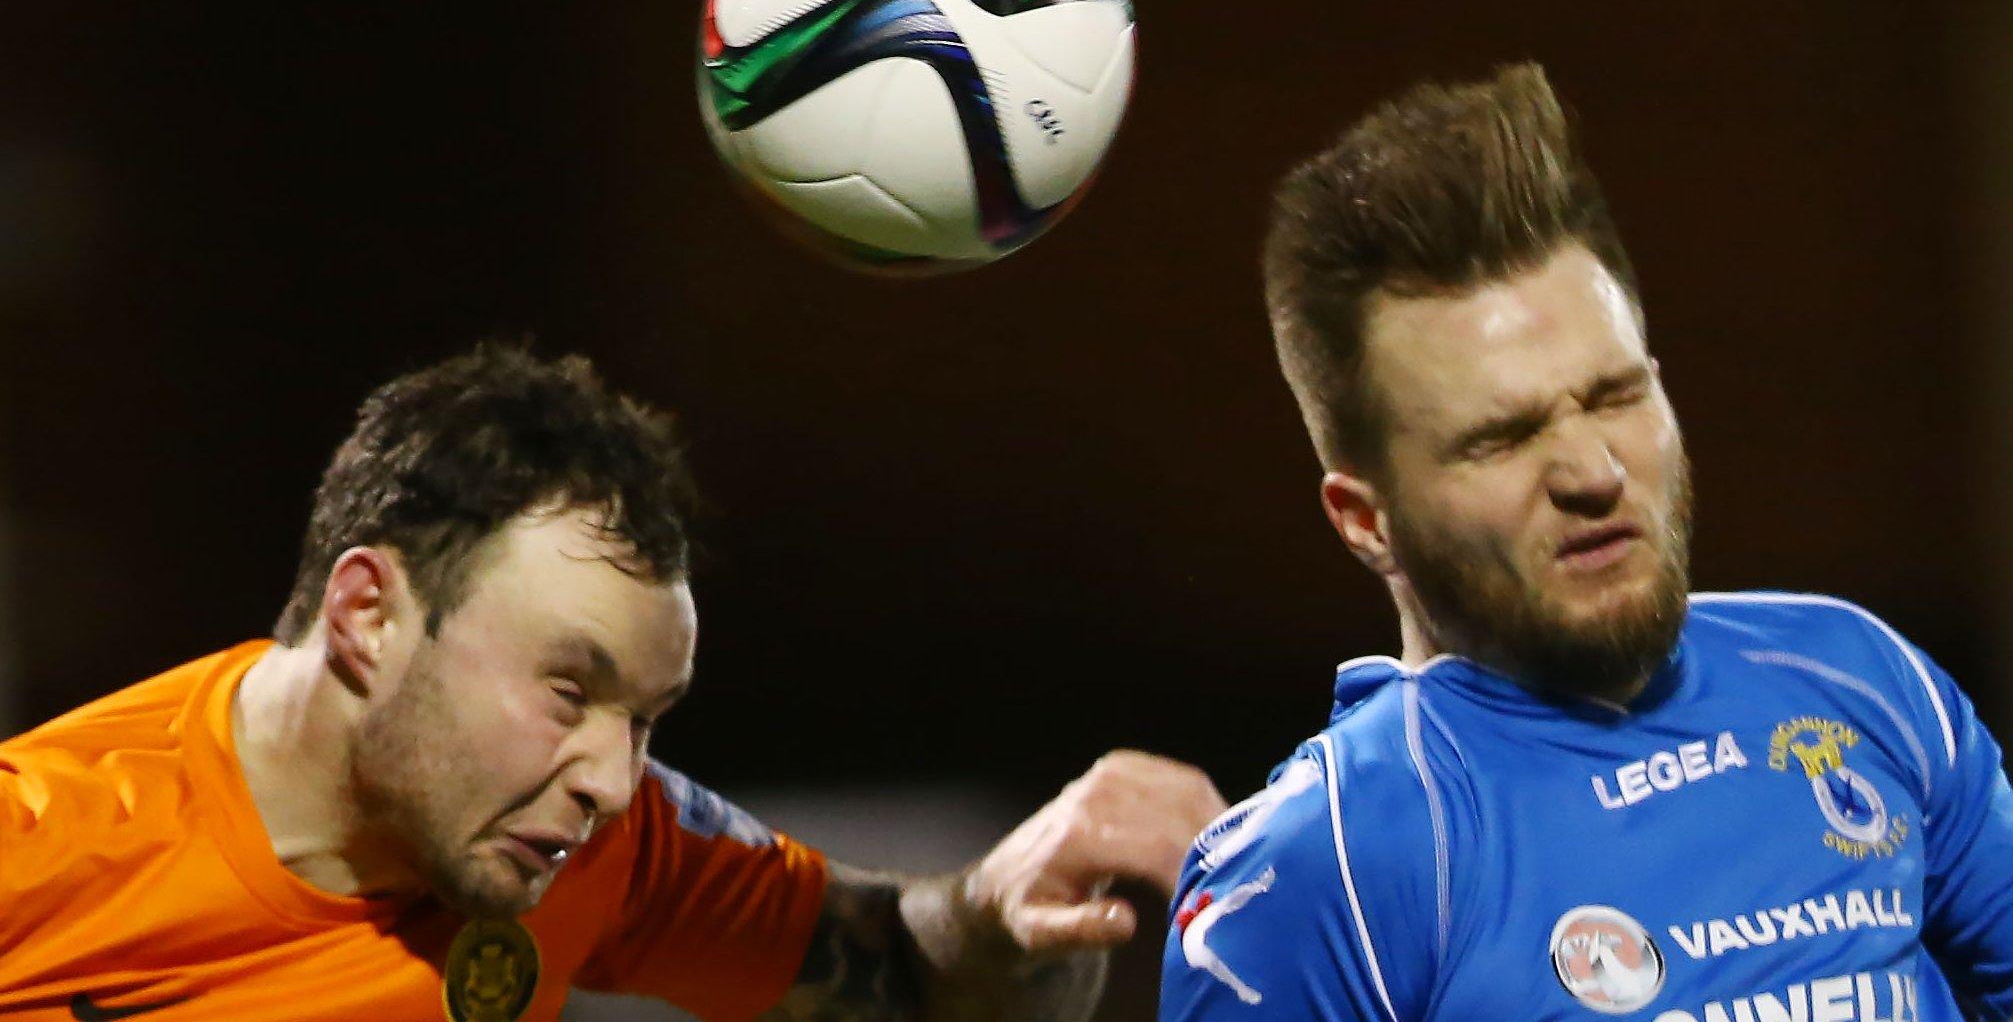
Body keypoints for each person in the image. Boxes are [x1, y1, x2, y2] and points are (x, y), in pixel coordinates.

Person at [1158, 64, 2013, 1022]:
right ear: (1366, 521)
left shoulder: (1858, 678)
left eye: (1616, 396)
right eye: (1503, 438)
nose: (1593, 472)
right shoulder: (1326, 866)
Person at [0, 345, 1224, 1022]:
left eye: (644, 718)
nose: (610, 776)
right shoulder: (41, 847)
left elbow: (918, 981)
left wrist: (1005, 907)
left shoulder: (593, 853)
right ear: (369, 615)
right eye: (567, 690)